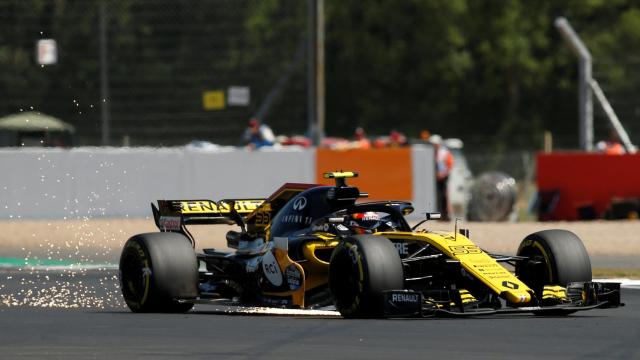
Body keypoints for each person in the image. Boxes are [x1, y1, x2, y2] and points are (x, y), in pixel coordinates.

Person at [429, 134, 454, 220]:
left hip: (443, 177)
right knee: (435, 196)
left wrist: (442, 174)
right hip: (433, 178)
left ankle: (444, 215)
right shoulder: (429, 152)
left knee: (443, 196)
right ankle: (436, 215)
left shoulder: (444, 153)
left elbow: (449, 164)